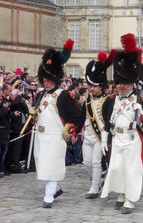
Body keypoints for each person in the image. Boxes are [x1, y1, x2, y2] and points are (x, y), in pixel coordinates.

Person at [101, 33, 143, 214]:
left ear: (132, 83)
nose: (121, 86)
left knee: (131, 169)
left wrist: (140, 111)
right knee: (117, 168)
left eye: (125, 83)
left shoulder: (141, 99)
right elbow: (108, 121)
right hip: (117, 136)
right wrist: (105, 139)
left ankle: (130, 199)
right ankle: (121, 193)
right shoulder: (113, 100)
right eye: (119, 83)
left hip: (132, 137)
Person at [33, 39, 79, 208]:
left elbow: (75, 115)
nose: (46, 82)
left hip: (55, 136)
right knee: (42, 165)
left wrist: (70, 126)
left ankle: (49, 196)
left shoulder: (63, 95)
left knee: (51, 165)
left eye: (49, 79)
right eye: (44, 79)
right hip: (41, 135)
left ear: (56, 78)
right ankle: (56, 189)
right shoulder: (40, 95)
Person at [79, 51, 111, 199]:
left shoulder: (107, 100)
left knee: (97, 162)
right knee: (87, 162)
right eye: (90, 86)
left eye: (94, 86)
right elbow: (82, 117)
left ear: (100, 86)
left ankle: (94, 187)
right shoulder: (86, 100)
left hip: (100, 136)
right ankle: (97, 181)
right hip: (88, 136)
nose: (91, 89)